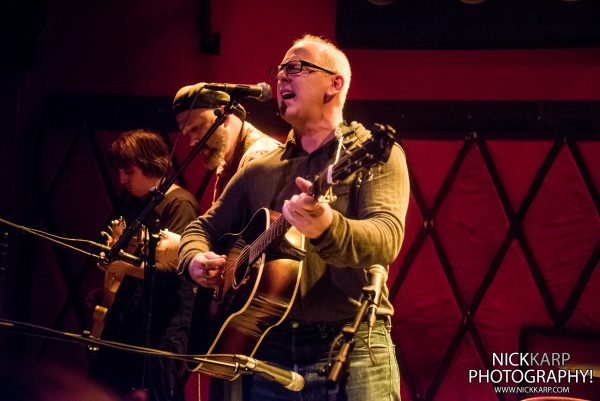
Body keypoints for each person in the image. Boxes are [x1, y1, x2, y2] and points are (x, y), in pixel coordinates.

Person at [177, 34, 410, 401]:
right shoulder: (260, 169)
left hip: (353, 351)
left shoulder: (373, 155)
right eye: (279, 69)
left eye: (296, 67)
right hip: (266, 353)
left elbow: (385, 239)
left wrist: (329, 227)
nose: (281, 76)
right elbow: (201, 227)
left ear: (335, 84)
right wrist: (193, 259)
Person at [172, 84, 280, 401]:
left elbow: (264, 251)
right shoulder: (232, 160)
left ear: (227, 115)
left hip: (254, 327)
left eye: (198, 128)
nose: (192, 141)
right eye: (186, 132)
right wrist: (193, 256)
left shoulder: (259, 158)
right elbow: (226, 235)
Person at [88, 129, 200, 401]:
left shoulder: (180, 203)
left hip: (161, 329)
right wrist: (111, 290)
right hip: (131, 327)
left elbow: (179, 272)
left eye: (128, 171)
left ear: (151, 164)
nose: (121, 179)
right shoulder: (142, 203)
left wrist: (124, 270)